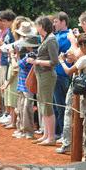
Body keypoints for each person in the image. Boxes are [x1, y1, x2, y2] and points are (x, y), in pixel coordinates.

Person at [28, 15, 59, 146]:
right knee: (42, 104)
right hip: (41, 74)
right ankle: (46, 135)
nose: (36, 28)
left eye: (37, 26)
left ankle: (50, 137)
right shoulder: (46, 39)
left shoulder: (51, 39)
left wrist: (36, 61)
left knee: (47, 105)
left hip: (47, 75)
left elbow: (54, 62)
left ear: (42, 26)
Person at [10, 34, 40, 139]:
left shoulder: (30, 55)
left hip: (27, 86)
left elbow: (15, 65)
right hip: (24, 85)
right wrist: (17, 53)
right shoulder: (33, 54)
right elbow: (20, 63)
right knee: (21, 109)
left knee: (26, 109)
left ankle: (28, 132)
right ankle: (22, 130)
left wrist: (12, 55)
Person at [52, 12, 71, 140]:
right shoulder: (58, 35)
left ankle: (64, 134)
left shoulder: (66, 36)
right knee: (56, 106)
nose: (54, 24)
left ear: (64, 22)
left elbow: (51, 45)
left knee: (61, 106)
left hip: (62, 75)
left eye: (56, 22)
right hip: (57, 75)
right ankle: (58, 132)